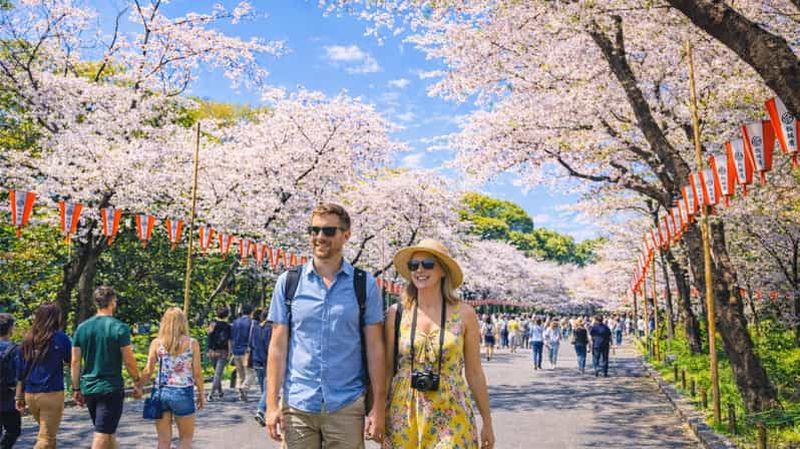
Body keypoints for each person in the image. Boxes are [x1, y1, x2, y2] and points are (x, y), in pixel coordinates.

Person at [266, 203, 386, 447]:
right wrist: (270, 404)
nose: (319, 237)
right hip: (298, 403)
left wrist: (378, 408)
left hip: (346, 404)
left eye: (329, 231)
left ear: (346, 235)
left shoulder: (364, 285)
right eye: (314, 230)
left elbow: (376, 349)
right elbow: (277, 348)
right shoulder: (289, 282)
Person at [385, 239, 494, 449]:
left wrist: (487, 421)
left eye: (427, 264)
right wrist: (378, 411)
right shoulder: (396, 313)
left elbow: (474, 372)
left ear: (443, 270)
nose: (419, 270)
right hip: (404, 409)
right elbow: (387, 369)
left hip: (451, 407)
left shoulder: (465, 313)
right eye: (413, 265)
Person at [71, 286, 143, 449]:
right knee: (102, 434)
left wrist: (76, 388)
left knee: (107, 432)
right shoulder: (119, 327)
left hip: (89, 387)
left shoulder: (82, 328)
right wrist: (137, 380)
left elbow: (75, 361)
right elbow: (129, 360)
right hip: (110, 387)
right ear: (112, 302)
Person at [141, 307, 204, 449]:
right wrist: (201, 394)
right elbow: (198, 373)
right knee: (185, 439)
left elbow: (148, 370)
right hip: (182, 392)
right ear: (183, 323)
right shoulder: (192, 343)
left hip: (161, 392)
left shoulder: (156, 343)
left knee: (163, 442)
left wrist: (139, 385)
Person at [18, 304, 71, 449]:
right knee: (46, 438)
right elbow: (72, 361)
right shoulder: (60, 338)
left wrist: (19, 396)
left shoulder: (27, 339)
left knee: (49, 435)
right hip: (51, 393)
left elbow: (21, 371)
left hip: (30, 395)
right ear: (56, 318)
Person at [0, 314, 20, 449]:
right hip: (8, 400)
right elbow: (20, 375)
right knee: (13, 431)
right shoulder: (15, 349)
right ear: (10, 329)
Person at [205, 306, 232, 402]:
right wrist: (229, 352)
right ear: (227, 315)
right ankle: (211, 394)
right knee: (218, 374)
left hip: (212, 351)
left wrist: (208, 350)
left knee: (217, 373)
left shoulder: (212, 324)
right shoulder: (228, 326)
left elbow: (208, 336)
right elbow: (229, 340)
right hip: (223, 352)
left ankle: (220, 391)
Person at [251, 310, 272, 427]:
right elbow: (270, 346)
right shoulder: (270, 329)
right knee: (268, 388)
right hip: (267, 361)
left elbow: (252, 344)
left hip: (256, 360)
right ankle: (261, 410)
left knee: (264, 388)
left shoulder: (255, 328)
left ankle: (264, 411)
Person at [231, 304, 254, 402]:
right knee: (251, 373)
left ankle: (242, 395)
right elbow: (252, 337)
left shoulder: (235, 322)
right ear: (251, 312)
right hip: (246, 351)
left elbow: (231, 337)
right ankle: (244, 388)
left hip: (235, 350)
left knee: (240, 374)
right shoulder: (251, 323)